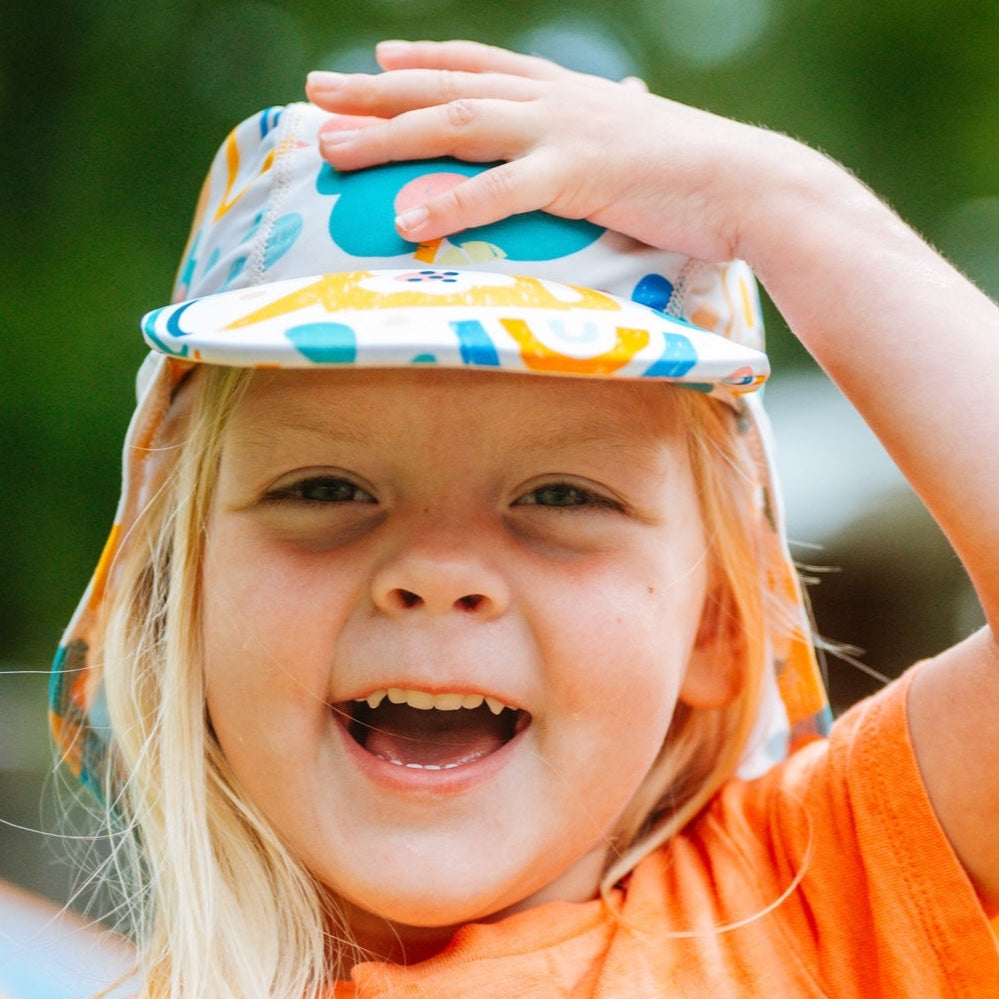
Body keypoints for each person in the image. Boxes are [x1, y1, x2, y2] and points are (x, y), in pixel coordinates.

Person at [48, 38, 999, 998]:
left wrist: (777, 203)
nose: (436, 568)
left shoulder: (811, 900)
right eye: (326, 489)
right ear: (180, 596)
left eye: (561, 496)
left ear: (716, 618)